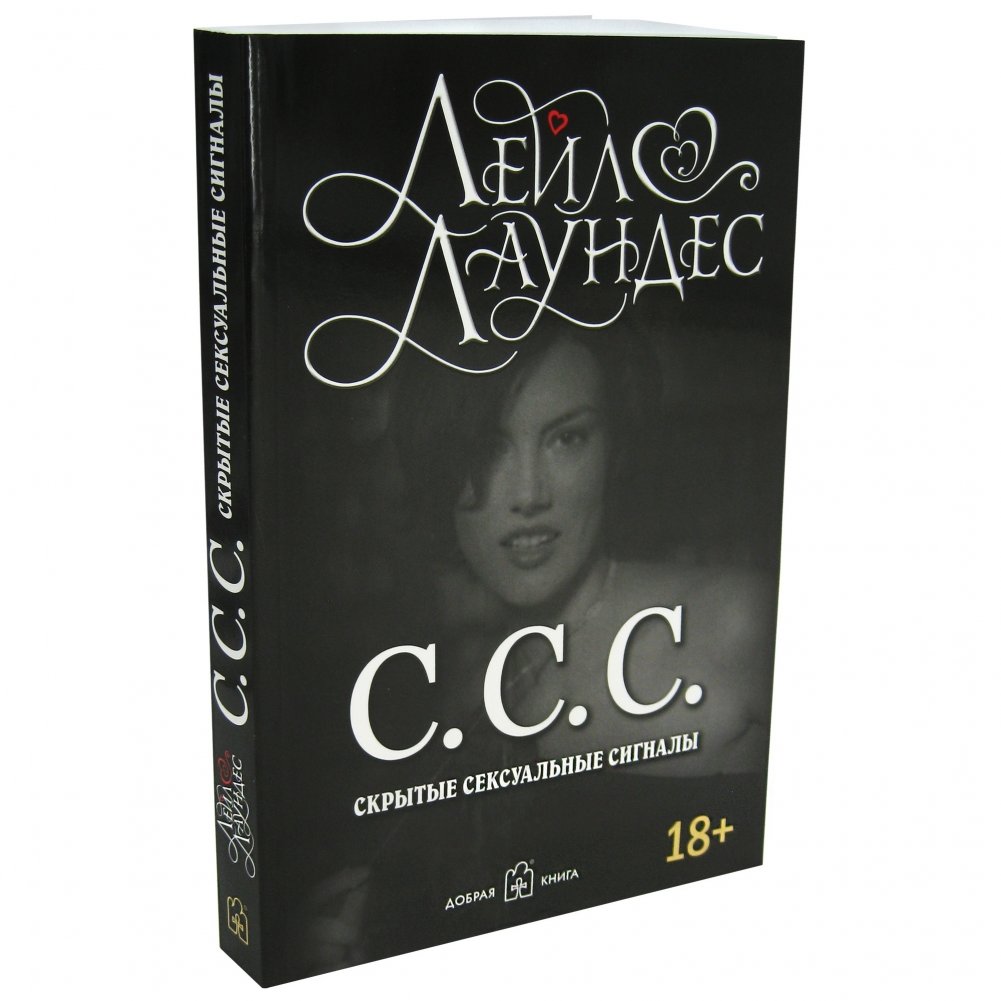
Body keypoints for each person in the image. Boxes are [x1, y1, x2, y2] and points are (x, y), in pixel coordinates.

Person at [391, 320, 776, 777]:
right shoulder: (463, 688)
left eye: (567, 439)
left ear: (614, 450)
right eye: (488, 448)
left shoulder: (740, 624)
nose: (529, 495)